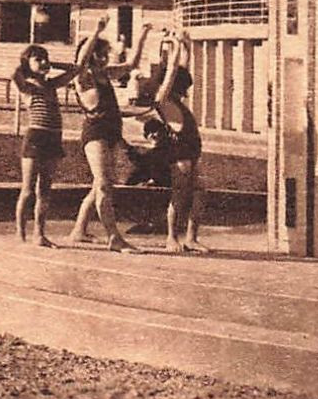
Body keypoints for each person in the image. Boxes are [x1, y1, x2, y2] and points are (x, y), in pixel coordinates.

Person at [67, 15, 152, 252]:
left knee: (99, 185)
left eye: (106, 53)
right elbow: (82, 60)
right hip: (96, 134)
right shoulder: (83, 77)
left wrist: (143, 35)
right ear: (92, 53)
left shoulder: (105, 74)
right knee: (104, 185)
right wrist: (96, 31)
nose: (104, 58)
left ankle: (78, 231)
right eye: (100, 53)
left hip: (112, 132)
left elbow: (131, 64)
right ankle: (114, 238)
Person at [11, 44, 80, 247]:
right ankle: (20, 232)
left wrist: (52, 64)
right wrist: (26, 66)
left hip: (54, 138)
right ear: (27, 63)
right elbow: (13, 74)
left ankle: (39, 234)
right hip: (35, 137)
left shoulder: (51, 85)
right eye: (38, 59)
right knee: (28, 189)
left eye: (45, 58)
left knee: (45, 190)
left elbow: (76, 69)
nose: (43, 62)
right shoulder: (27, 87)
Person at [146, 30, 206, 253]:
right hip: (179, 148)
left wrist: (186, 46)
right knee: (180, 194)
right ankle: (171, 237)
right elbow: (171, 71)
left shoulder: (176, 100)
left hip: (191, 145)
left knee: (199, 193)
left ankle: (191, 237)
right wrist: (175, 46)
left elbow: (180, 69)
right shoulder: (162, 99)